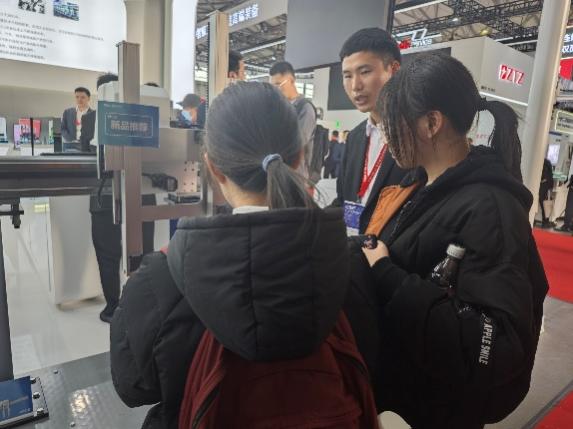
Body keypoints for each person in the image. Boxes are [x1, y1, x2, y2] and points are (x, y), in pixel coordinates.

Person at [110, 82, 378, 428]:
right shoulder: (350, 267)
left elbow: (132, 387)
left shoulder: (161, 279)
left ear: (212, 167)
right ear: (299, 157)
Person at [358, 53, 547, 428]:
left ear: (431, 123)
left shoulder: (490, 209)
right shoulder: (420, 185)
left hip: (441, 409)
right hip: (407, 395)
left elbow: (496, 345)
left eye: (392, 124)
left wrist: (385, 273)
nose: (386, 135)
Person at [90, 73, 155, 323]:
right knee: (142, 252)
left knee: (108, 256)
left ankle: (113, 309)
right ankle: (141, 305)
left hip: (105, 195)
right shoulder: (144, 117)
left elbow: (85, 149)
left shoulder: (91, 119)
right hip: (142, 193)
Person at [334, 28, 407, 234]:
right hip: (352, 246)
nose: (355, 86)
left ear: (394, 70)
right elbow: (343, 199)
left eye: (365, 72)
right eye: (347, 75)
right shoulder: (355, 137)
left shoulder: (417, 134)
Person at [270, 61, 317, 180]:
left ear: (291, 81)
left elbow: (297, 143)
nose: (276, 90)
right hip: (278, 173)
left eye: (278, 84)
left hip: (296, 177)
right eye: (273, 86)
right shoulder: (278, 108)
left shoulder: (305, 108)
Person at [539, 158, 554, 227]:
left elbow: (542, 177)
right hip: (547, 189)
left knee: (544, 206)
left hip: (543, 189)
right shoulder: (549, 169)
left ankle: (545, 222)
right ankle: (546, 222)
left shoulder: (543, 166)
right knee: (546, 206)